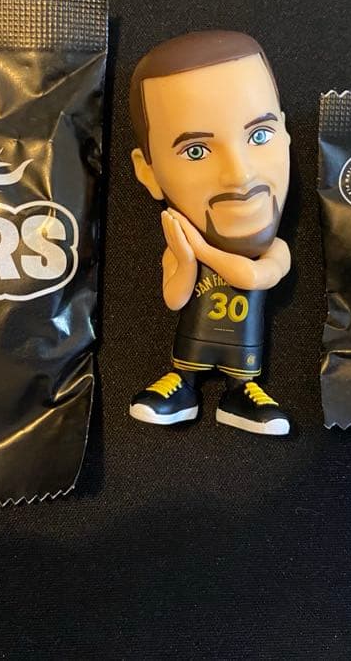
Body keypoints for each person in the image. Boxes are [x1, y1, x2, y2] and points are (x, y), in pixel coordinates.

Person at [127, 30, 292, 436]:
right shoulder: (181, 247)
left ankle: (241, 394)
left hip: (244, 354)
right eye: (196, 151)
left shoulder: (275, 250)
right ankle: (182, 386)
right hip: (193, 346)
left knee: (244, 374)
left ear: (286, 134)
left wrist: (199, 249)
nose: (240, 175)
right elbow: (174, 299)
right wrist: (185, 259)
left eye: (259, 135)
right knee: (185, 363)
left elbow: (252, 276)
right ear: (148, 172)